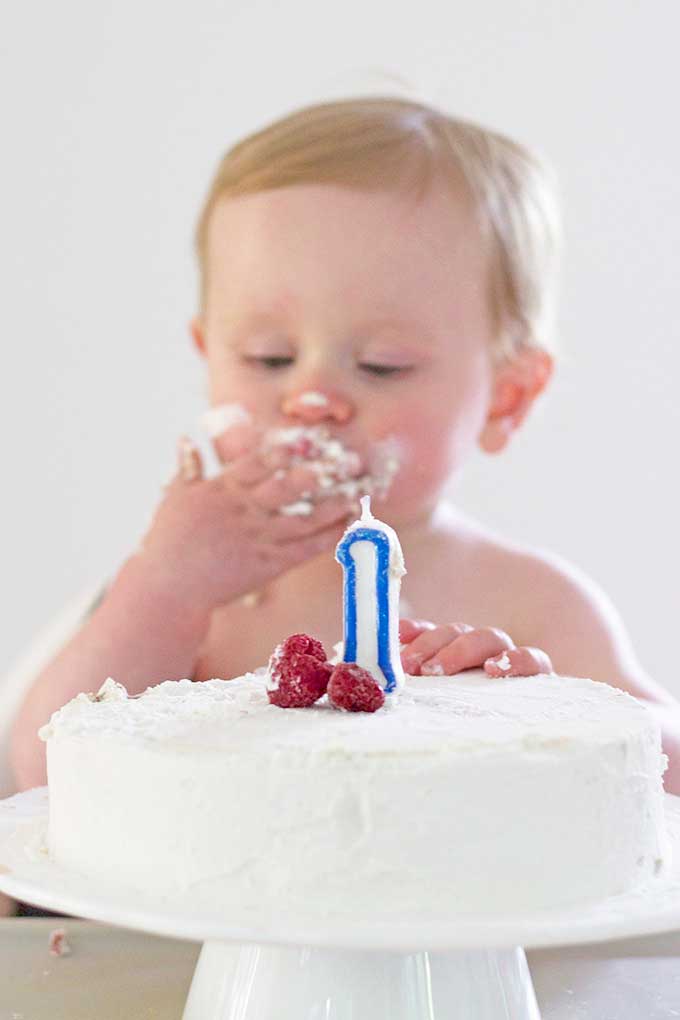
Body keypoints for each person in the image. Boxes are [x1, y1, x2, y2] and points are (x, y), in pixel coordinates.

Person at [9, 96, 680, 797]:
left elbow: (668, 767)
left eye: (382, 365)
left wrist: (557, 713)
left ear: (507, 397)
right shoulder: (179, 596)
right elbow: (40, 778)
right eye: (269, 358)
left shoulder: (532, 603)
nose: (312, 397)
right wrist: (164, 591)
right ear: (208, 358)